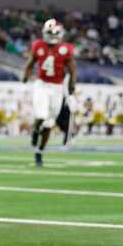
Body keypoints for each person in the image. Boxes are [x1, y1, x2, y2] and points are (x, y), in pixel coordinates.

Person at [22, 19, 77, 167]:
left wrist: (72, 87)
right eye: (50, 33)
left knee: (49, 124)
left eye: (55, 33)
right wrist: (25, 76)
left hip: (57, 88)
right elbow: (30, 63)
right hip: (42, 85)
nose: (52, 36)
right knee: (41, 115)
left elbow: (72, 70)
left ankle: (39, 152)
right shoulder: (38, 45)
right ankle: (35, 132)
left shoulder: (66, 49)